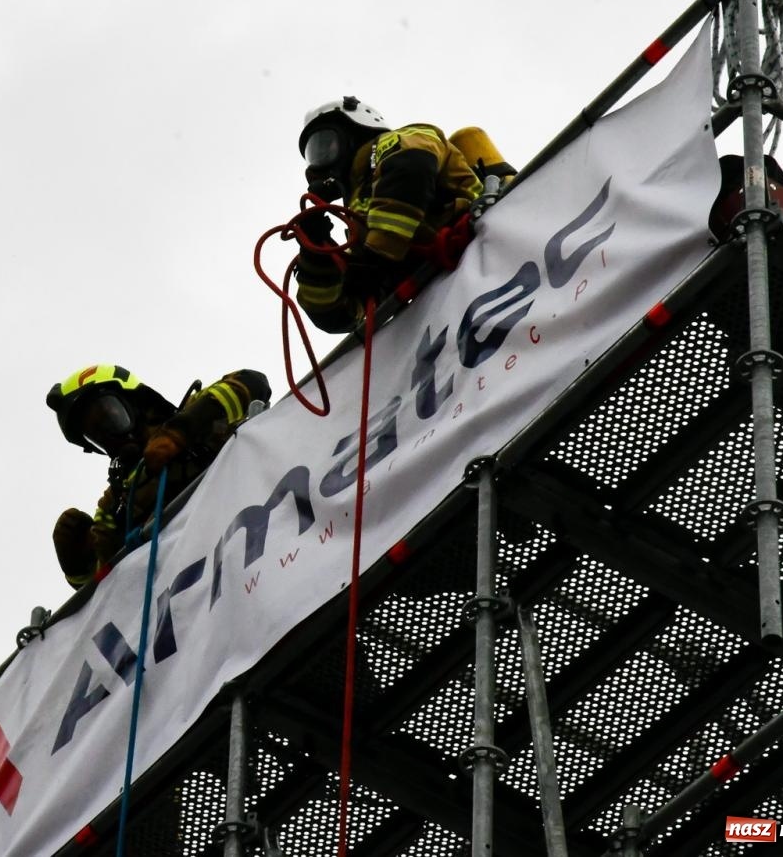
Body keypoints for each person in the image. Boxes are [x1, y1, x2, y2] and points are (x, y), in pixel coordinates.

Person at [293, 96, 516, 333]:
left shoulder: (403, 140)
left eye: (326, 143)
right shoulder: (359, 226)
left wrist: (375, 259)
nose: (322, 156)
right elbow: (339, 316)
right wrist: (315, 252)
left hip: (490, 252)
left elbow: (410, 170)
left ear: (356, 128)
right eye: (315, 152)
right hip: (455, 305)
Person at [46, 364, 271, 588]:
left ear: (135, 403)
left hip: (258, 546)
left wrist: (179, 432)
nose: (107, 434)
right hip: (197, 593)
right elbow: (100, 593)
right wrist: (77, 564)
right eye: (96, 434)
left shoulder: (199, 417)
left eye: (108, 416)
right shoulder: (117, 501)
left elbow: (253, 383)